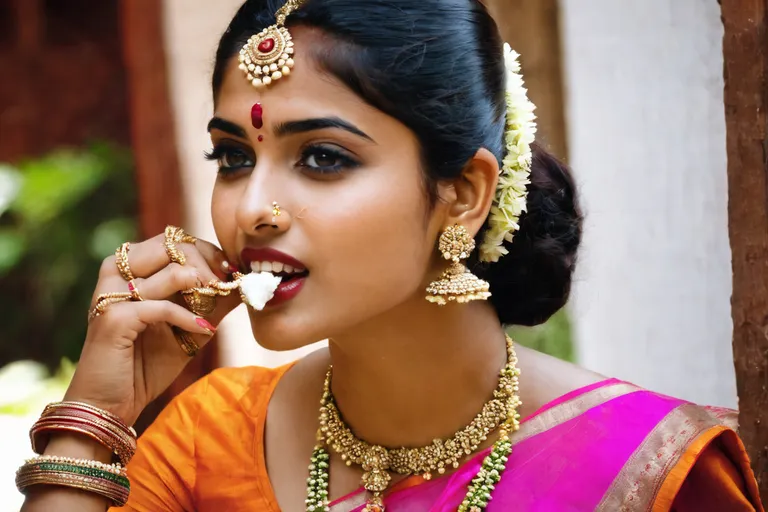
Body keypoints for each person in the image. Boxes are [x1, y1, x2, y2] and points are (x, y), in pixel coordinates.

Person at [17, 0, 765, 510]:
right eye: (234, 156)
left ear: (465, 193)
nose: (249, 209)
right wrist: (95, 413)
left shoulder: (645, 470)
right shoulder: (204, 442)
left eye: (323, 158)